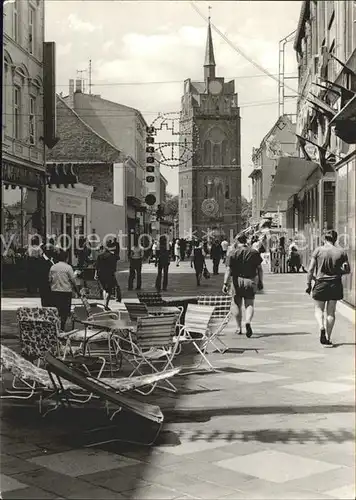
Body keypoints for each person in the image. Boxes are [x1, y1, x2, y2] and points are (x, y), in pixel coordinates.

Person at [306, 229, 350, 346]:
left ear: (324, 239)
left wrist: (308, 284)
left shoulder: (318, 251)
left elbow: (310, 270)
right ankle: (328, 338)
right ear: (335, 239)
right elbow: (347, 270)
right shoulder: (341, 252)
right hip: (335, 284)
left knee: (318, 309)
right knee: (331, 312)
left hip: (320, 283)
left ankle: (321, 328)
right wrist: (338, 271)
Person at [223, 233, 263, 337]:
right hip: (250, 279)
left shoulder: (232, 253)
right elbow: (259, 269)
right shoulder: (254, 252)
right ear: (246, 241)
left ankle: (238, 327)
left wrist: (225, 283)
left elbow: (228, 269)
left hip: (237, 280)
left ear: (237, 241)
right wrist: (260, 281)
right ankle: (248, 321)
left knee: (236, 304)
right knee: (249, 303)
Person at [49, 249, 81, 331]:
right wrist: (77, 291)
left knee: (56, 310)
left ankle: (56, 327)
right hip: (66, 292)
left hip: (55, 291)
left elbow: (49, 280)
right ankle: (62, 327)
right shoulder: (68, 268)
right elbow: (73, 281)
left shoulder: (53, 267)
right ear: (66, 258)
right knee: (65, 311)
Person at [95, 241, 119, 308]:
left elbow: (97, 266)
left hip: (101, 275)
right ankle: (106, 304)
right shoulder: (112, 256)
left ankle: (105, 303)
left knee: (104, 289)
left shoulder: (100, 256)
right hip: (109, 274)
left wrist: (95, 274)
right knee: (109, 290)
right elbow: (114, 267)